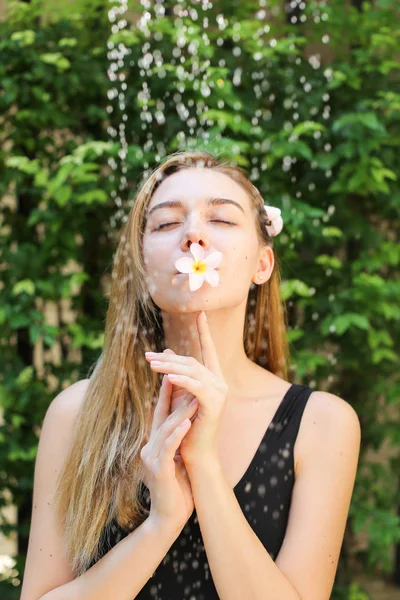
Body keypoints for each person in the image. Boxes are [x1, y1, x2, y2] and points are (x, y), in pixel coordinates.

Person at [21, 151, 361, 600]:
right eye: (165, 224)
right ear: (142, 266)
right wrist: (161, 525)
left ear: (263, 263)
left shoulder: (321, 423)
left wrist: (204, 466)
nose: (194, 235)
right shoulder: (77, 413)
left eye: (221, 219)